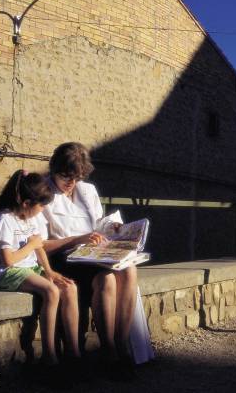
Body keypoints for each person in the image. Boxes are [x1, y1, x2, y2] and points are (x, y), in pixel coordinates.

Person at [42, 142, 153, 378]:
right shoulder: (43, 193)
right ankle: (109, 350)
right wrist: (77, 239)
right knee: (107, 281)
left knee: (130, 270)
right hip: (64, 257)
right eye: (66, 177)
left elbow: (97, 224)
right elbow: (41, 245)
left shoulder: (87, 190)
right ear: (54, 169)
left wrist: (112, 228)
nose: (71, 183)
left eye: (77, 177)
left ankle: (121, 344)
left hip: (93, 254)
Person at [0, 170, 81, 367]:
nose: (43, 209)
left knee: (69, 287)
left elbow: (39, 247)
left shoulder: (29, 216)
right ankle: (49, 355)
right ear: (26, 203)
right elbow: (8, 260)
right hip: (2, 273)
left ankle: (74, 352)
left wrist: (49, 271)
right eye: (41, 205)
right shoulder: (4, 220)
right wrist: (31, 246)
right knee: (51, 291)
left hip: (27, 268)